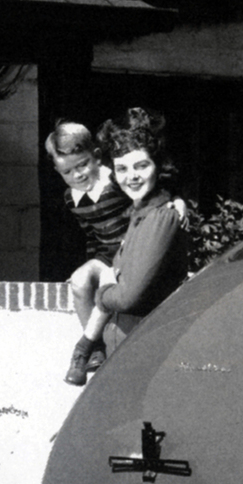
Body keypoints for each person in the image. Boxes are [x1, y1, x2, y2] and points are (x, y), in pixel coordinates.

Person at [92, 108, 189, 354]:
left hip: (146, 348)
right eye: (122, 169)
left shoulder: (161, 216)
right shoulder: (140, 213)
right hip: (128, 348)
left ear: (158, 166)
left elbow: (127, 298)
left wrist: (102, 292)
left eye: (141, 166)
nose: (131, 177)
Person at [46, 122, 131, 385]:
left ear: (96, 155)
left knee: (108, 281)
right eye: (68, 171)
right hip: (106, 254)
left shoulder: (116, 180)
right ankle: (95, 351)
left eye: (82, 164)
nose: (78, 175)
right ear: (58, 172)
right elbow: (92, 236)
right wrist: (91, 267)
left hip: (131, 249)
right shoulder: (72, 199)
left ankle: (85, 346)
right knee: (80, 280)